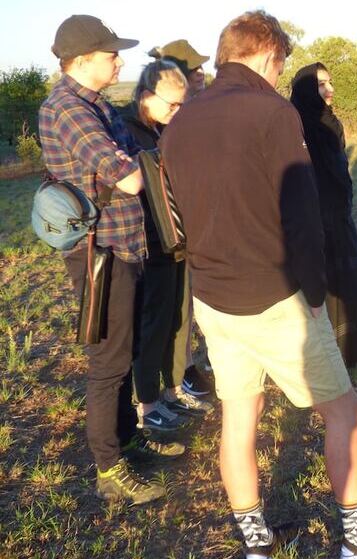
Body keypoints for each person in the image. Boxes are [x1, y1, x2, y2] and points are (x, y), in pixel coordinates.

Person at [160, 11, 357, 559]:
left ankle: (256, 547)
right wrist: (315, 294)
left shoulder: (181, 120)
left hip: (211, 297)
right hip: (277, 297)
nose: (280, 75)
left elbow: (176, 213)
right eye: (279, 64)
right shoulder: (272, 112)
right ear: (267, 55)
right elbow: (302, 216)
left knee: (239, 416)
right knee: (344, 412)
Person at [39, 15, 184, 506]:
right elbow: (130, 177)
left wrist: (133, 162)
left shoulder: (96, 104)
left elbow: (132, 161)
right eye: (110, 54)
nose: (119, 60)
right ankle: (109, 467)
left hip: (123, 244)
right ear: (81, 61)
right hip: (100, 253)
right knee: (107, 362)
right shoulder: (69, 110)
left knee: (123, 351)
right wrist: (134, 164)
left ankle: (126, 441)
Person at [121, 60, 214, 432]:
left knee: (179, 318)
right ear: (146, 96)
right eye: (171, 105)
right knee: (154, 323)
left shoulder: (159, 129)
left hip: (177, 240)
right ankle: (148, 403)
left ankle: (173, 392)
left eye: (181, 105)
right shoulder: (126, 130)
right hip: (149, 242)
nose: (176, 113)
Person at [290, 63, 357, 371]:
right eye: (322, 84)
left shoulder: (331, 122)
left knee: (352, 280)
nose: (331, 89)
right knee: (323, 287)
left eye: (331, 82)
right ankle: (330, 352)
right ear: (306, 89)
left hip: (339, 215)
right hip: (313, 220)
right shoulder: (295, 126)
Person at [148, 39, 216, 397]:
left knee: (188, 302)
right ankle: (179, 374)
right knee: (175, 306)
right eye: (194, 69)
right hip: (171, 228)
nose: (202, 74)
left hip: (193, 223)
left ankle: (185, 369)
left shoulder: (190, 112)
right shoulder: (168, 119)